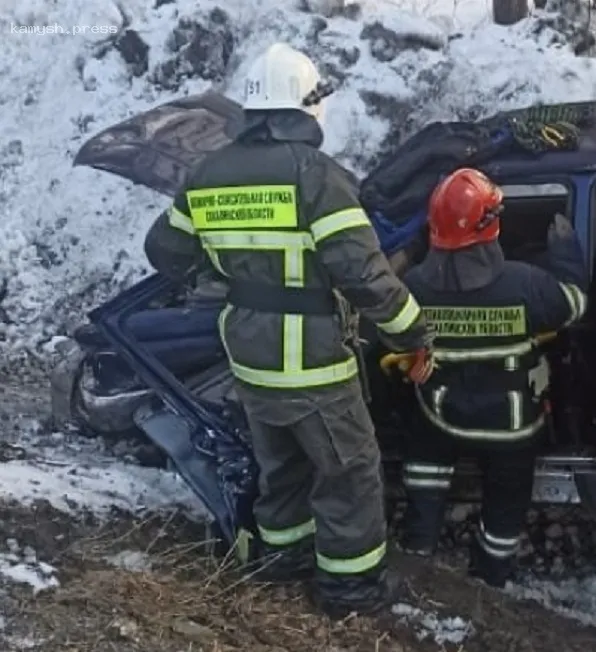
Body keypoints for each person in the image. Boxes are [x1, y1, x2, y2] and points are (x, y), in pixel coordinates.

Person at [142, 42, 434, 619]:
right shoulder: (315, 176)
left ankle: (283, 560)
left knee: (284, 463)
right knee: (349, 468)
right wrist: (413, 333)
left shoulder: (209, 173)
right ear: (305, 108)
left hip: (250, 355)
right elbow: (364, 274)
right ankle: (351, 588)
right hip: (312, 358)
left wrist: (225, 272)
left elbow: (163, 249)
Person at [393, 168, 587, 587]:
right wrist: (566, 255)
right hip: (511, 427)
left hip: (441, 416)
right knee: (505, 504)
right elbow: (574, 305)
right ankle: (489, 579)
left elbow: (386, 333)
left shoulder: (412, 288)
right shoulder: (527, 284)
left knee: (424, 472)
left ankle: (416, 558)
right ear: (492, 223)